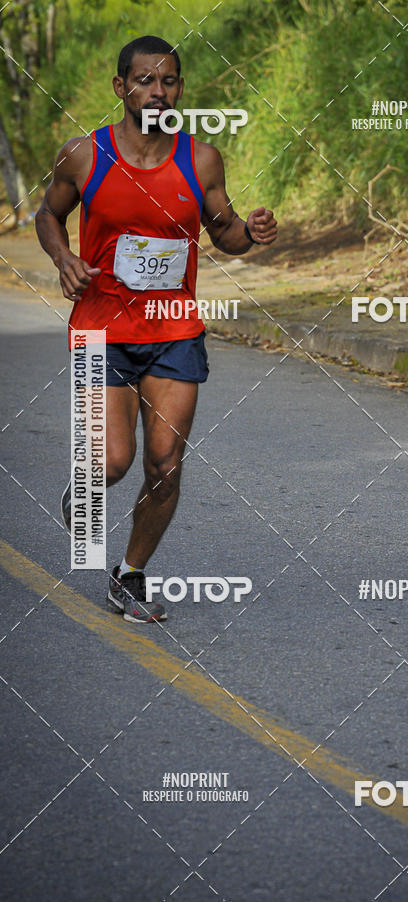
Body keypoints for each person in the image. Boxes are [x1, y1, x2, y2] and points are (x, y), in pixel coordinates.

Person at [35, 35, 277, 623]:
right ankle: (86, 485)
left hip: (174, 331)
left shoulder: (201, 159)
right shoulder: (84, 156)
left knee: (165, 465)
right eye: (145, 80)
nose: (157, 91)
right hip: (101, 329)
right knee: (114, 462)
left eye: (168, 81)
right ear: (122, 88)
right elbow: (48, 213)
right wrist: (64, 259)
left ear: (180, 89)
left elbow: (225, 233)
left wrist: (254, 232)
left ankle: (131, 575)